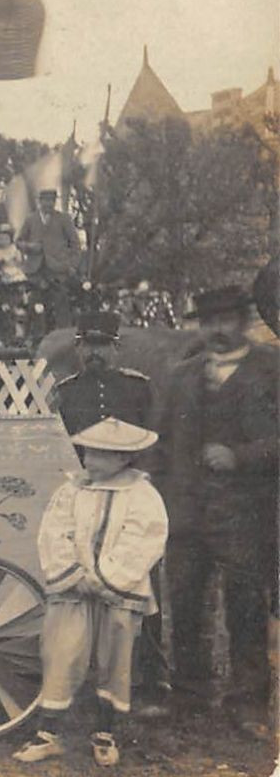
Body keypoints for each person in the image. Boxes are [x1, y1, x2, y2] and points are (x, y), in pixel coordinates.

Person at [148, 285, 278, 727]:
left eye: (226, 320)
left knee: (245, 606)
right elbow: (161, 443)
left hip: (246, 513)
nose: (217, 330)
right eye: (209, 322)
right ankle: (189, 695)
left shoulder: (272, 369)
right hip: (186, 513)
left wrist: (241, 455)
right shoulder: (182, 375)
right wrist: (158, 491)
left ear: (243, 321)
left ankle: (249, 703)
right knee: (183, 604)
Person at [13, 417, 168, 768]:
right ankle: (48, 734)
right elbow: (55, 532)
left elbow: (144, 539)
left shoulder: (143, 496)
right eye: (87, 453)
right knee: (61, 653)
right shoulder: (71, 490)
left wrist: (109, 577)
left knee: (114, 660)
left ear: (122, 458)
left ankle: (104, 733)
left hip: (118, 594)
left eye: (100, 456)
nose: (89, 462)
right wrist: (75, 574)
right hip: (74, 590)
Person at [53, 312, 153, 437]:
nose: (95, 352)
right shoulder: (66, 392)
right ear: (78, 348)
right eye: (88, 345)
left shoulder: (137, 387)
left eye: (102, 345)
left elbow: (150, 438)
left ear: (116, 348)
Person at [18, 187, 82, 330]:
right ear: (39, 202)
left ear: (54, 202)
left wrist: (72, 265)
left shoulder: (64, 219)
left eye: (51, 201)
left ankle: (63, 336)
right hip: (36, 269)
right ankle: (36, 336)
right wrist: (30, 246)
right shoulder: (30, 219)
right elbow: (18, 242)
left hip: (57, 269)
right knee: (36, 304)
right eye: (44, 201)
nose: (47, 204)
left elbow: (76, 245)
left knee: (61, 302)